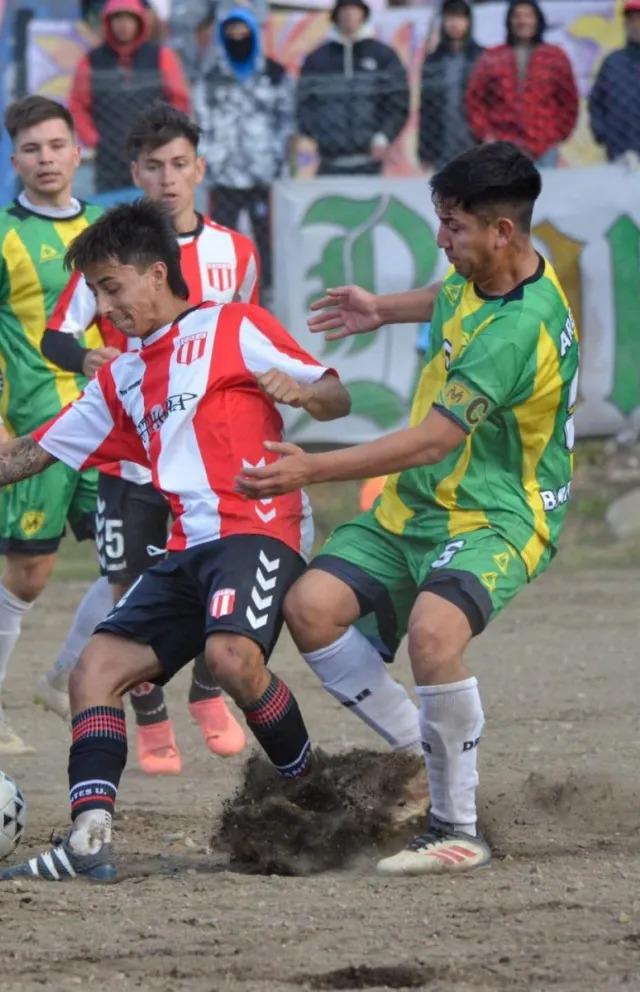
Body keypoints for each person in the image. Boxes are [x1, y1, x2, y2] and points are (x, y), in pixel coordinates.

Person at [0, 198, 351, 880]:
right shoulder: (123, 376)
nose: (104, 304)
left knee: (230, 658)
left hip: (259, 529)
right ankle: (89, 839)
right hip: (187, 551)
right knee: (91, 672)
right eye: (95, 291)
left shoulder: (235, 325)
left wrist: (305, 396)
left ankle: (316, 794)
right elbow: (34, 450)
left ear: (157, 273)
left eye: (111, 286)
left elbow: (337, 394)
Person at [237, 141, 579, 876]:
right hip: (416, 508)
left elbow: (430, 441)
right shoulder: (492, 267)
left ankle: (457, 828)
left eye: (452, 227)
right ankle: (415, 755)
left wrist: (311, 468)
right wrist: (382, 309)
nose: (441, 239)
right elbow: (450, 296)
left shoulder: (517, 333)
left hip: (497, 515)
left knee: (433, 634)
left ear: (501, 232)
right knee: (311, 608)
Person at [38, 105, 262, 775]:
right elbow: (57, 335)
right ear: (134, 173)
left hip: (208, 462)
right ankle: (152, 717)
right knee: (132, 590)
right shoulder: (110, 256)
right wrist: (86, 361)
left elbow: (244, 332)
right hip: (133, 457)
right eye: (152, 167)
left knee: (211, 582)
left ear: (199, 168)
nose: (167, 179)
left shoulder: (236, 252)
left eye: (178, 164)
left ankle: (202, 695)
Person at [0, 96, 113, 756]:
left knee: (137, 558)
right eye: (32, 149)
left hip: (109, 428)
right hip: (38, 432)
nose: (46, 158)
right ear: (15, 160)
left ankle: (64, 674)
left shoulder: (104, 227)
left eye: (56, 145)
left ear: (78, 152)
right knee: (29, 575)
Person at [194, 3, 294, 293]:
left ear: (253, 32)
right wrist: (209, 158)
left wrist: (277, 159)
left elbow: (286, 120)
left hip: (263, 174)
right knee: (220, 238)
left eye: (243, 31)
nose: (238, 36)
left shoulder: (274, 74)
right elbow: (202, 121)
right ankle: (223, 291)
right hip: (223, 175)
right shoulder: (211, 77)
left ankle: (267, 292)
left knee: (266, 239)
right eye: (231, 32)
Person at [68, 0, 191, 192]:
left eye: (129, 19)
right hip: (109, 157)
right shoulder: (90, 61)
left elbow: (179, 100)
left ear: (139, 22)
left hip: (154, 152)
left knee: (155, 211)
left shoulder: (162, 57)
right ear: (108, 22)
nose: (123, 25)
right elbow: (77, 105)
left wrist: (166, 135)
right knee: (112, 213)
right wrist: (95, 140)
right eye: (117, 19)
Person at [296, 0, 409, 177]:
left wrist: (383, 136)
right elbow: (303, 102)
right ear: (336, 14)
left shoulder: (383, 55)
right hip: (329, 161)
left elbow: (398, 101)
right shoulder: (317, 59)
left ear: (363, 13)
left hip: (370, 162)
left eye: (354, 9)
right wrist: (316, 134)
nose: (349, 14)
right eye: (345, 8)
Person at [465, 1, 578, 167]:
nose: (522, 21)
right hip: (503, 148)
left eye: (528, 16)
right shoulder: (491, 57)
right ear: (509, 21)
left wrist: (556, 135)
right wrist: (486, 135)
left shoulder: (555, 57)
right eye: (517, 16)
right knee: (505, 193)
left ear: (538, 20)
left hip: (543, 147)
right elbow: (474, 99)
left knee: (547, 192)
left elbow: (569, 100)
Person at [418, 0, 484, 171]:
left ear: (469, 22)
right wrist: (425, 151)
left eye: (460, 18)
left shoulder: (483, 57)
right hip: (442, 146)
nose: (455, 24)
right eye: (450, 18)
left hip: (477, 144)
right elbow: (426, 108)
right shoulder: (433, 60)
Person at [588, 0, 640, 165]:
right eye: (632, 20)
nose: (636, 25)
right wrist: (603, 134)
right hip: (621, 153)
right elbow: (596, 102)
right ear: (625, 24)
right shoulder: (612, 62)